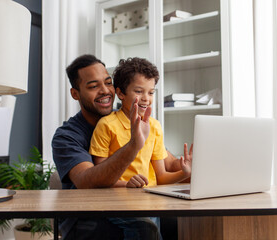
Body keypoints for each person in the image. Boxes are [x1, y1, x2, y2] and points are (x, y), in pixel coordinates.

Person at [52, 54, 188, 240]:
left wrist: (196, 165)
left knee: (184, 221)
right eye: (93, 86)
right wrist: (133, 146)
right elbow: (87, 181)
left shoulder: (135, 120)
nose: (105, 91)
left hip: (136, 202)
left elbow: (168, 164)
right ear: (75, 93)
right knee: (145, 228)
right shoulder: (66, 136)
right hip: (87, 217)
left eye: (108, 83)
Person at [90, 57, 192, 188]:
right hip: (119, 199)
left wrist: (185, 173)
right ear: (120, 93)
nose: (146, 98)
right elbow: (100, 178)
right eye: (138, 91)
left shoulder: (154, 126)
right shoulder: (106, 125)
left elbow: (161, 177)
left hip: (150, 198)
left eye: (151, 93)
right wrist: (127, 184)